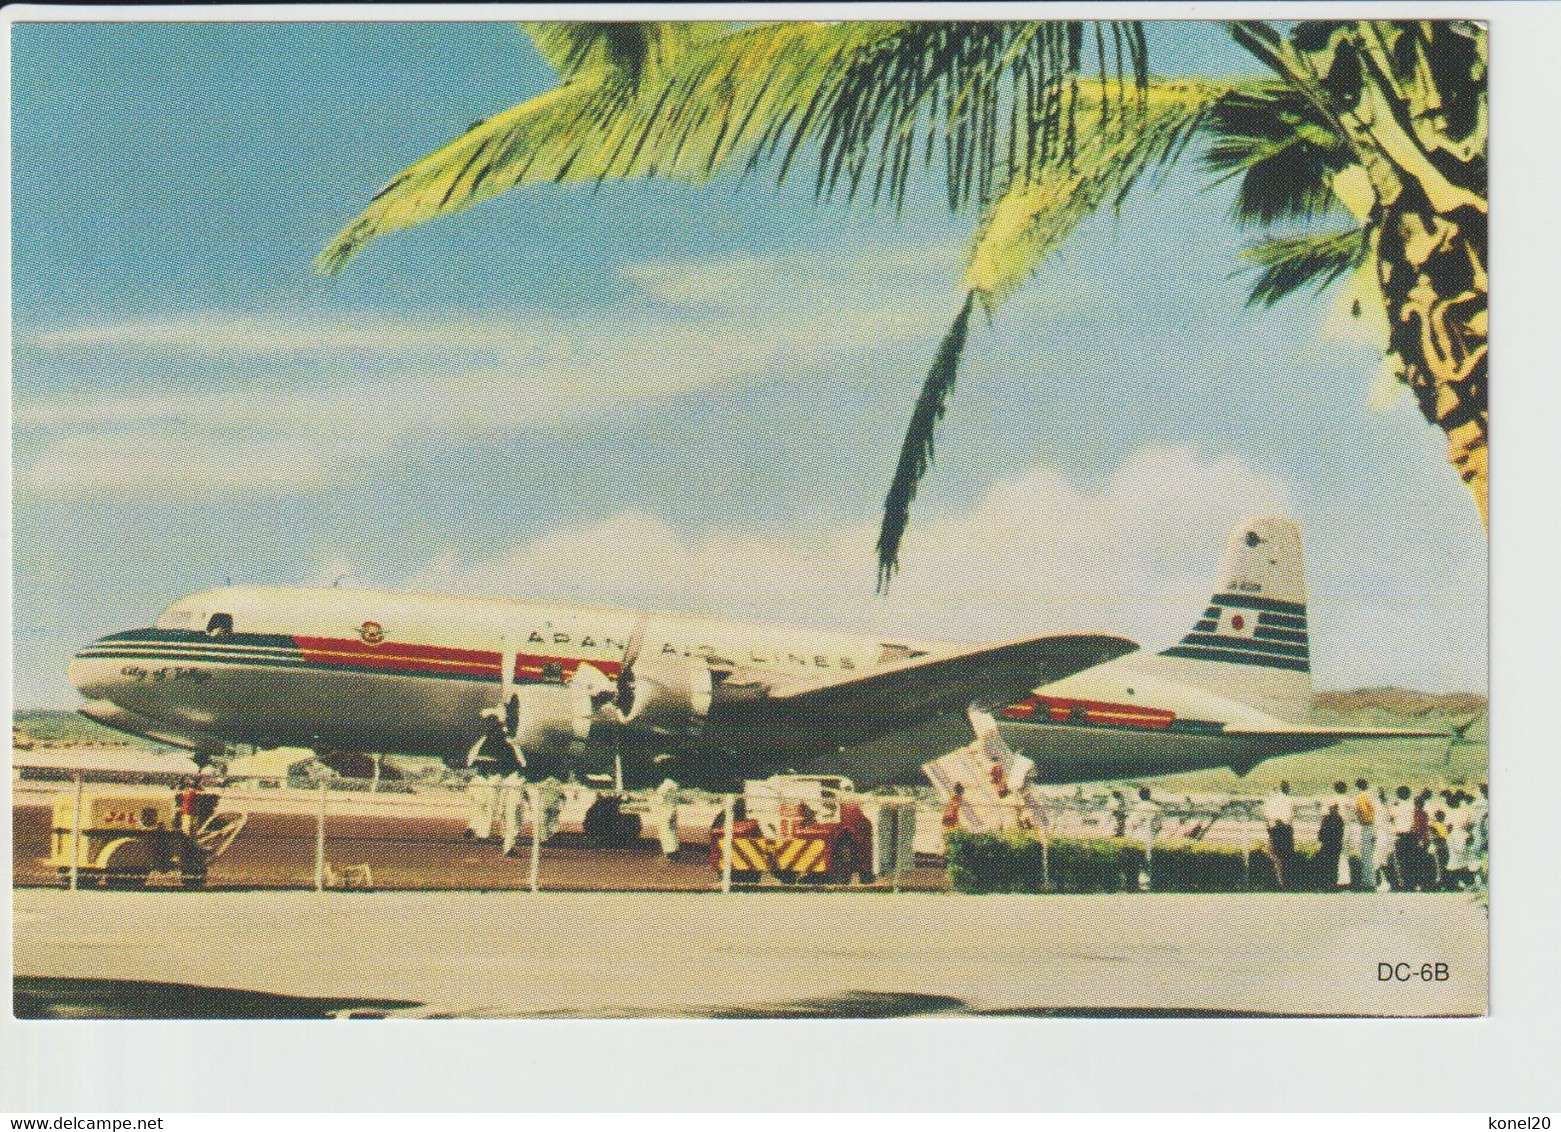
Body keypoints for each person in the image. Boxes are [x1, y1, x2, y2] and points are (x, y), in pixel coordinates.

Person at [1264, 780, 1296, 889]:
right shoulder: (1289, 800)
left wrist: (1270, 827)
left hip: (1274, 829)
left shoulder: (1271, 800)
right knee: (1286, 856)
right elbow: (1290, 816)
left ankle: (1277, 881)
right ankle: (1285, 882)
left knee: (1274, 855)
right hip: (1286, 829)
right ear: (1286, 788)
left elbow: (1267, 815)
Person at [1127, 786, 1159, 890]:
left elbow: (1132, 824)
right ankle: (1150, 881)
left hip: (1138, 835)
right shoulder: (1156, 808)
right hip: (1151, 835)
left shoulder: (1137, 808)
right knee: (1150, 859)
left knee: (1138, 859)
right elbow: (1159, 825)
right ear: (1149, 795)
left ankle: (1139, 881)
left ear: (1140, 796)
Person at [1388, 786, 1417, 890]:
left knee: (1401, 860)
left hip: (1400, 835)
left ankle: (1403, 883)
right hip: (1411, 835)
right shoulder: (1413, 805)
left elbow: (1390, 819)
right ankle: (1410, 884)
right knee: (1411, 860)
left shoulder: (1394, 806)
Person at [1350, 777, 1377, 891]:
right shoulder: (1371, 796)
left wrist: (1360, 821)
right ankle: (1371, 881)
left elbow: (1358, 811)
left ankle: (1367, 882)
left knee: (1365, 855)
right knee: (1370, 856)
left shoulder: (1359, 797)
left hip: (1365, 826)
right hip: (1373, 825)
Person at [1320, 782, 1347, 890]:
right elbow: (1341, 832)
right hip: (1336, 843)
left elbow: (1321, 832)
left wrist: (1322, 840)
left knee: (1327, 863)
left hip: (1327, 843)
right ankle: (1334, 883)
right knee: (1334, 863)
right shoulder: (1339, 819)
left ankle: (1327, 883)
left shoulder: (1326, 818)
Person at [652, 779, 681, 860]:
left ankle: (670, 852)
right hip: (673, 811)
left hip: (665, 813)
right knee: (672, 832)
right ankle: (675, 850)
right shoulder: (674, 786)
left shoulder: (665, 787)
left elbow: (660, 800)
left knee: (665, 832)